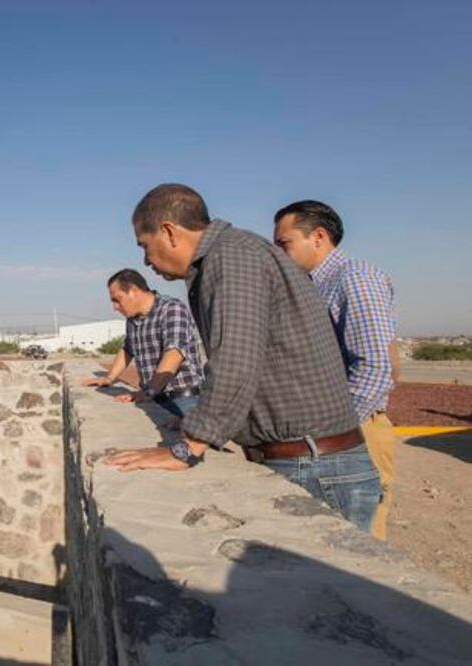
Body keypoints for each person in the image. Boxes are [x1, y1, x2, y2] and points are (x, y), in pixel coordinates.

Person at [106, 183, 380, 532]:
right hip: (306, 460)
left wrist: (187, 446)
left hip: (315, 466)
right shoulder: (227, 256)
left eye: (145, 246)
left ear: (169, 231)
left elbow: (235, 358)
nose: (146, 260)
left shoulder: (232, 257)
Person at [274, 200, 398, 540]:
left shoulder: (354, 278)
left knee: (361, 549)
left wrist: (331, 429)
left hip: (353, 434)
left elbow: (374, 367)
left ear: (318, 236)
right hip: (331, 436)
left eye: (284, 243)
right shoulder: (312, 285)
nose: (279, 253)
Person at [82, 268, 204, 420]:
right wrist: (109, 378)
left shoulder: (171, 309)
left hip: (184, 400)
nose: (115, 307)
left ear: (134, 291)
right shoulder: (132, 320)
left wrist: (148, 392)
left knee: (195, 441)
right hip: (156, 399)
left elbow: (174, 354)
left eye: (117, 299)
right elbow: (127, 349)